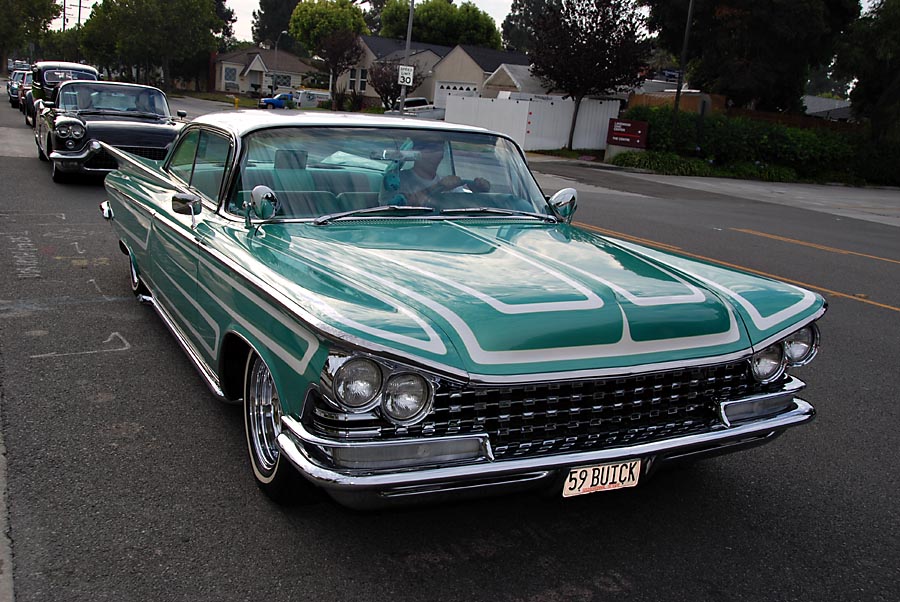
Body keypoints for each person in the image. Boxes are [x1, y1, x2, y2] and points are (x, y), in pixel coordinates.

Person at [398, 138, 489, 203]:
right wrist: (438, 186)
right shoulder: (399, 181)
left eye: (438, 149)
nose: (434, 155)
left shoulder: (448, 183)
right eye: (428, 149)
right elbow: (402, 204)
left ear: (442, 155)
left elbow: (463, 204)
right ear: (416, 152)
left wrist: (478, 193)